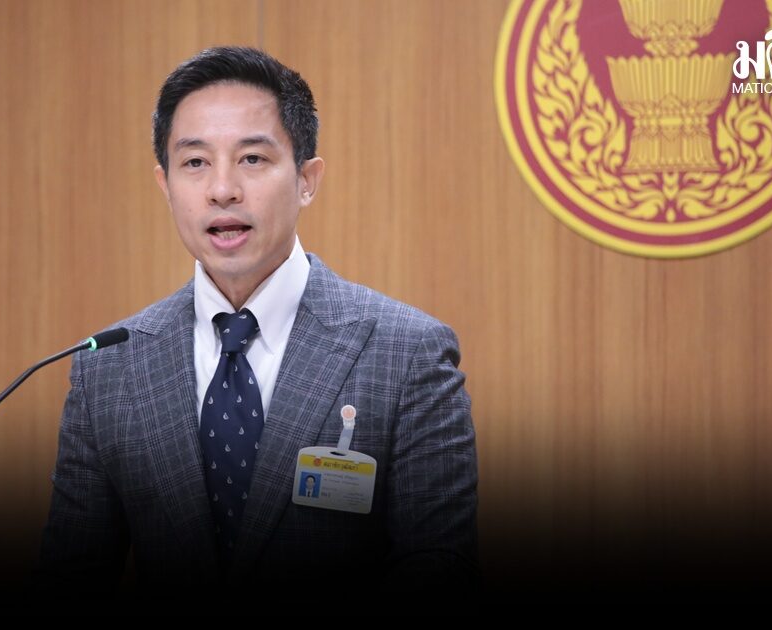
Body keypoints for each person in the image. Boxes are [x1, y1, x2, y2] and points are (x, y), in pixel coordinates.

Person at [36, 46, 479, 600]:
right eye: (195, 163)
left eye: (251, 158)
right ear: (165, 185)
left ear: (307, 179)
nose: (222, 189)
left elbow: (442, 569)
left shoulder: (407, 354)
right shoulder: (110, 368)